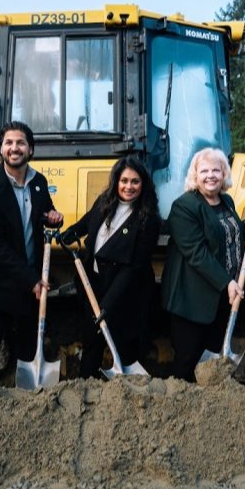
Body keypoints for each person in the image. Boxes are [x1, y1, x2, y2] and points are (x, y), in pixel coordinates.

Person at [0, 121, 63, 388]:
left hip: (27, 285)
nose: (15, 148)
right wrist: (31, 279)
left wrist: (54, 217)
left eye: (20, 142)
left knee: (26, 345)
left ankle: (27, 402)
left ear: (30, 149)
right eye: (9, 143)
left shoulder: (39, 182)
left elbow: (45, 213)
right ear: (1, 149)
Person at [161, 148, 245, 382]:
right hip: (192, 301)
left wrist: (242, 227)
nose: (211, 175)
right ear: (195, 176)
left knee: (213, 361)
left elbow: (224, 235)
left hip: (222, 298)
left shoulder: (226, 201)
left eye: (216, 170)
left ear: (224, 173)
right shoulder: (184, 206)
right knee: (187, 362)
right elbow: (197, 253)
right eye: (204, 170)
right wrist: (227, 282)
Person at [60, 156, 160, 378]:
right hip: (94, 285)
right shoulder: (105, 201)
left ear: (143, 184)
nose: (128, 186)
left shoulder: (148, 219)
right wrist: (72, 231)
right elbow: (89, 220)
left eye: (135, 181)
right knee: (92, 339)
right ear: (116, 181)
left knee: (125, 343)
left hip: (126, 292)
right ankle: (88, 383)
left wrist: (108, 304)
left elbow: (134, 267)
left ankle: (127, 394)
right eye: (124, 180)